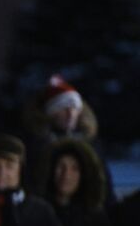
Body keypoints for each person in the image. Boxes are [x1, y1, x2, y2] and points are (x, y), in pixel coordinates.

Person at [20, 75, 115, 203]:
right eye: (63, 108)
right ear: (50, 112)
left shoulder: (91, 145)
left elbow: (104, 186)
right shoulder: (34, 145)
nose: (70, 113)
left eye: (75, 107)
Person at [43, 139, 113, 226]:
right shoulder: (37, 215)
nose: (66, 175)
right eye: (60, 166)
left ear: (84, 174)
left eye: (75, 168)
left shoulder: (96, 219)